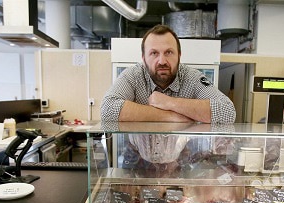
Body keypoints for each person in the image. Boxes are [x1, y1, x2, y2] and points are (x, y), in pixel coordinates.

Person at [101, 25, 236, 130]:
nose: (162, 61)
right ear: (143, 58)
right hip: (138, 160)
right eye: (154, 53)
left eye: (169, 52)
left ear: (179, 55)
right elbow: (107, 109)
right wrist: (170, 116)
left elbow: (227, 111)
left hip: (182, 161)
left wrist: (169, 102)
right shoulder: (132, 75)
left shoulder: (194, 78)